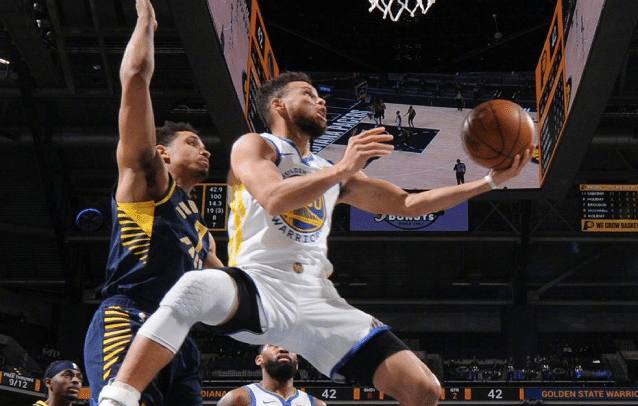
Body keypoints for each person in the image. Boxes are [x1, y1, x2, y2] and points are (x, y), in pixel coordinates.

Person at [97, 72, 531, 406]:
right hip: (259, 287)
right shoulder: (256, 146)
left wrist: (490, 182)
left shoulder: (328, 169)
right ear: (279, 105)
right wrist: (342, 169)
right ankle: (119, 397)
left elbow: (408, 204)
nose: (321, 101)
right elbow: (273, 198)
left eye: (320, 96)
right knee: (195, 286)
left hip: (316, 299)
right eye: (308, 94)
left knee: (424, 389)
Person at [84, 0, 224, 405]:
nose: (205, 150)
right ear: (163, 153)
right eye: (192, 143)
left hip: (178, 339)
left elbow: (231, 290)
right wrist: (146, 21)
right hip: (129, 316)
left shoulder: (204, 234)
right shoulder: (147, 183)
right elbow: (134, 79)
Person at [217, 345, 327, 406]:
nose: (283, 349)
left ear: (297, 364)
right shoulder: (237, 399)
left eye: (290, 346)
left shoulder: (317, 404)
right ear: (259, 360)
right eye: (274, 345)